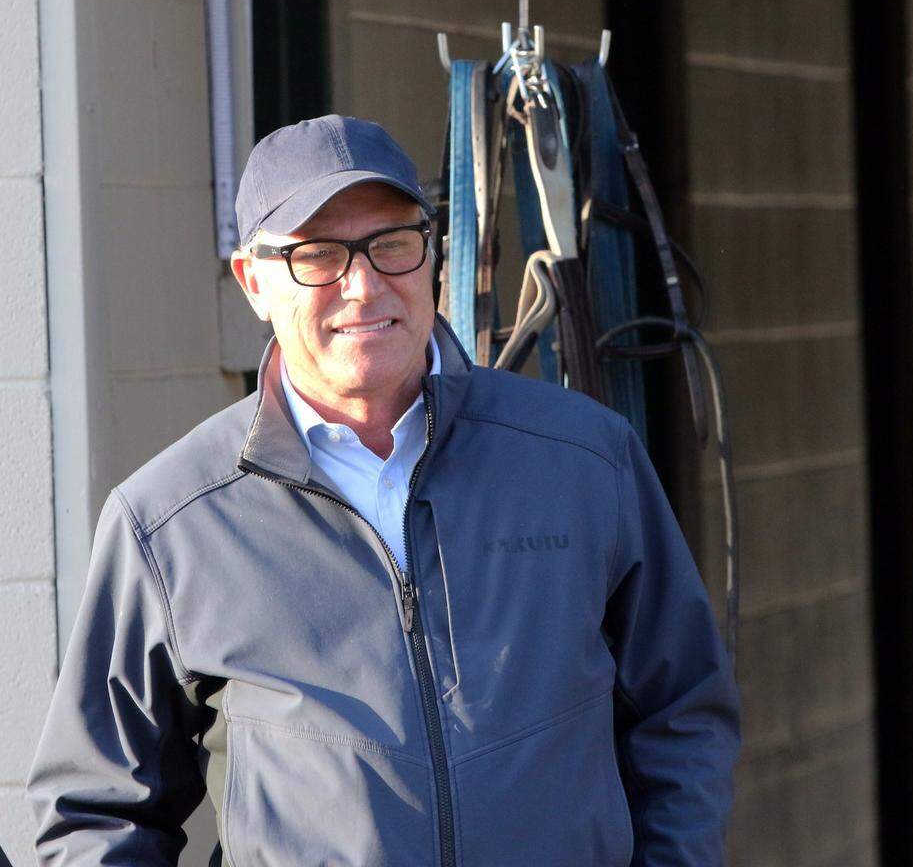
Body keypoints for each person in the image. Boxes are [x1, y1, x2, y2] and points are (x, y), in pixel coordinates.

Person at [27, 115, 740, 866]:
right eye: (318, 256)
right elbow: (97, 813)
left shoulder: (584, 459)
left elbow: (683, 710)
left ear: (432, 254)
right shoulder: (171, 523)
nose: (363, 287)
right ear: (253, 281)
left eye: (392, 244)